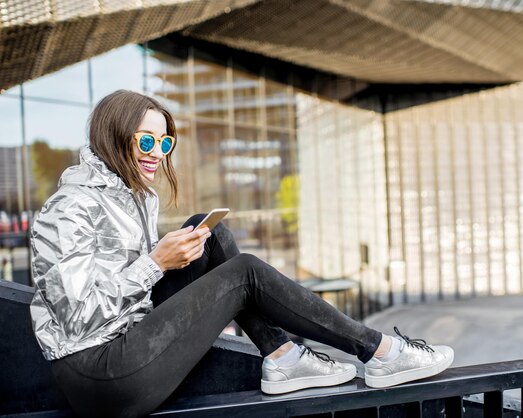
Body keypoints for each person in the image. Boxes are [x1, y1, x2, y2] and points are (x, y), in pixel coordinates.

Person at [29, 90, 453, 418]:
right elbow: (78, 315)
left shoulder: (135, 198)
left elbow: (134, 295)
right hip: (98, 375)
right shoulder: (69, 207)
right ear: (113, 136)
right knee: (245, 272)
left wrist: (164, 262)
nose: (157, 152)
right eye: (145, 139)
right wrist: (155, 264)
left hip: (130, 341)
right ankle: (380, 352)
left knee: (207, 230)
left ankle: (282, 355)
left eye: (164, 142)